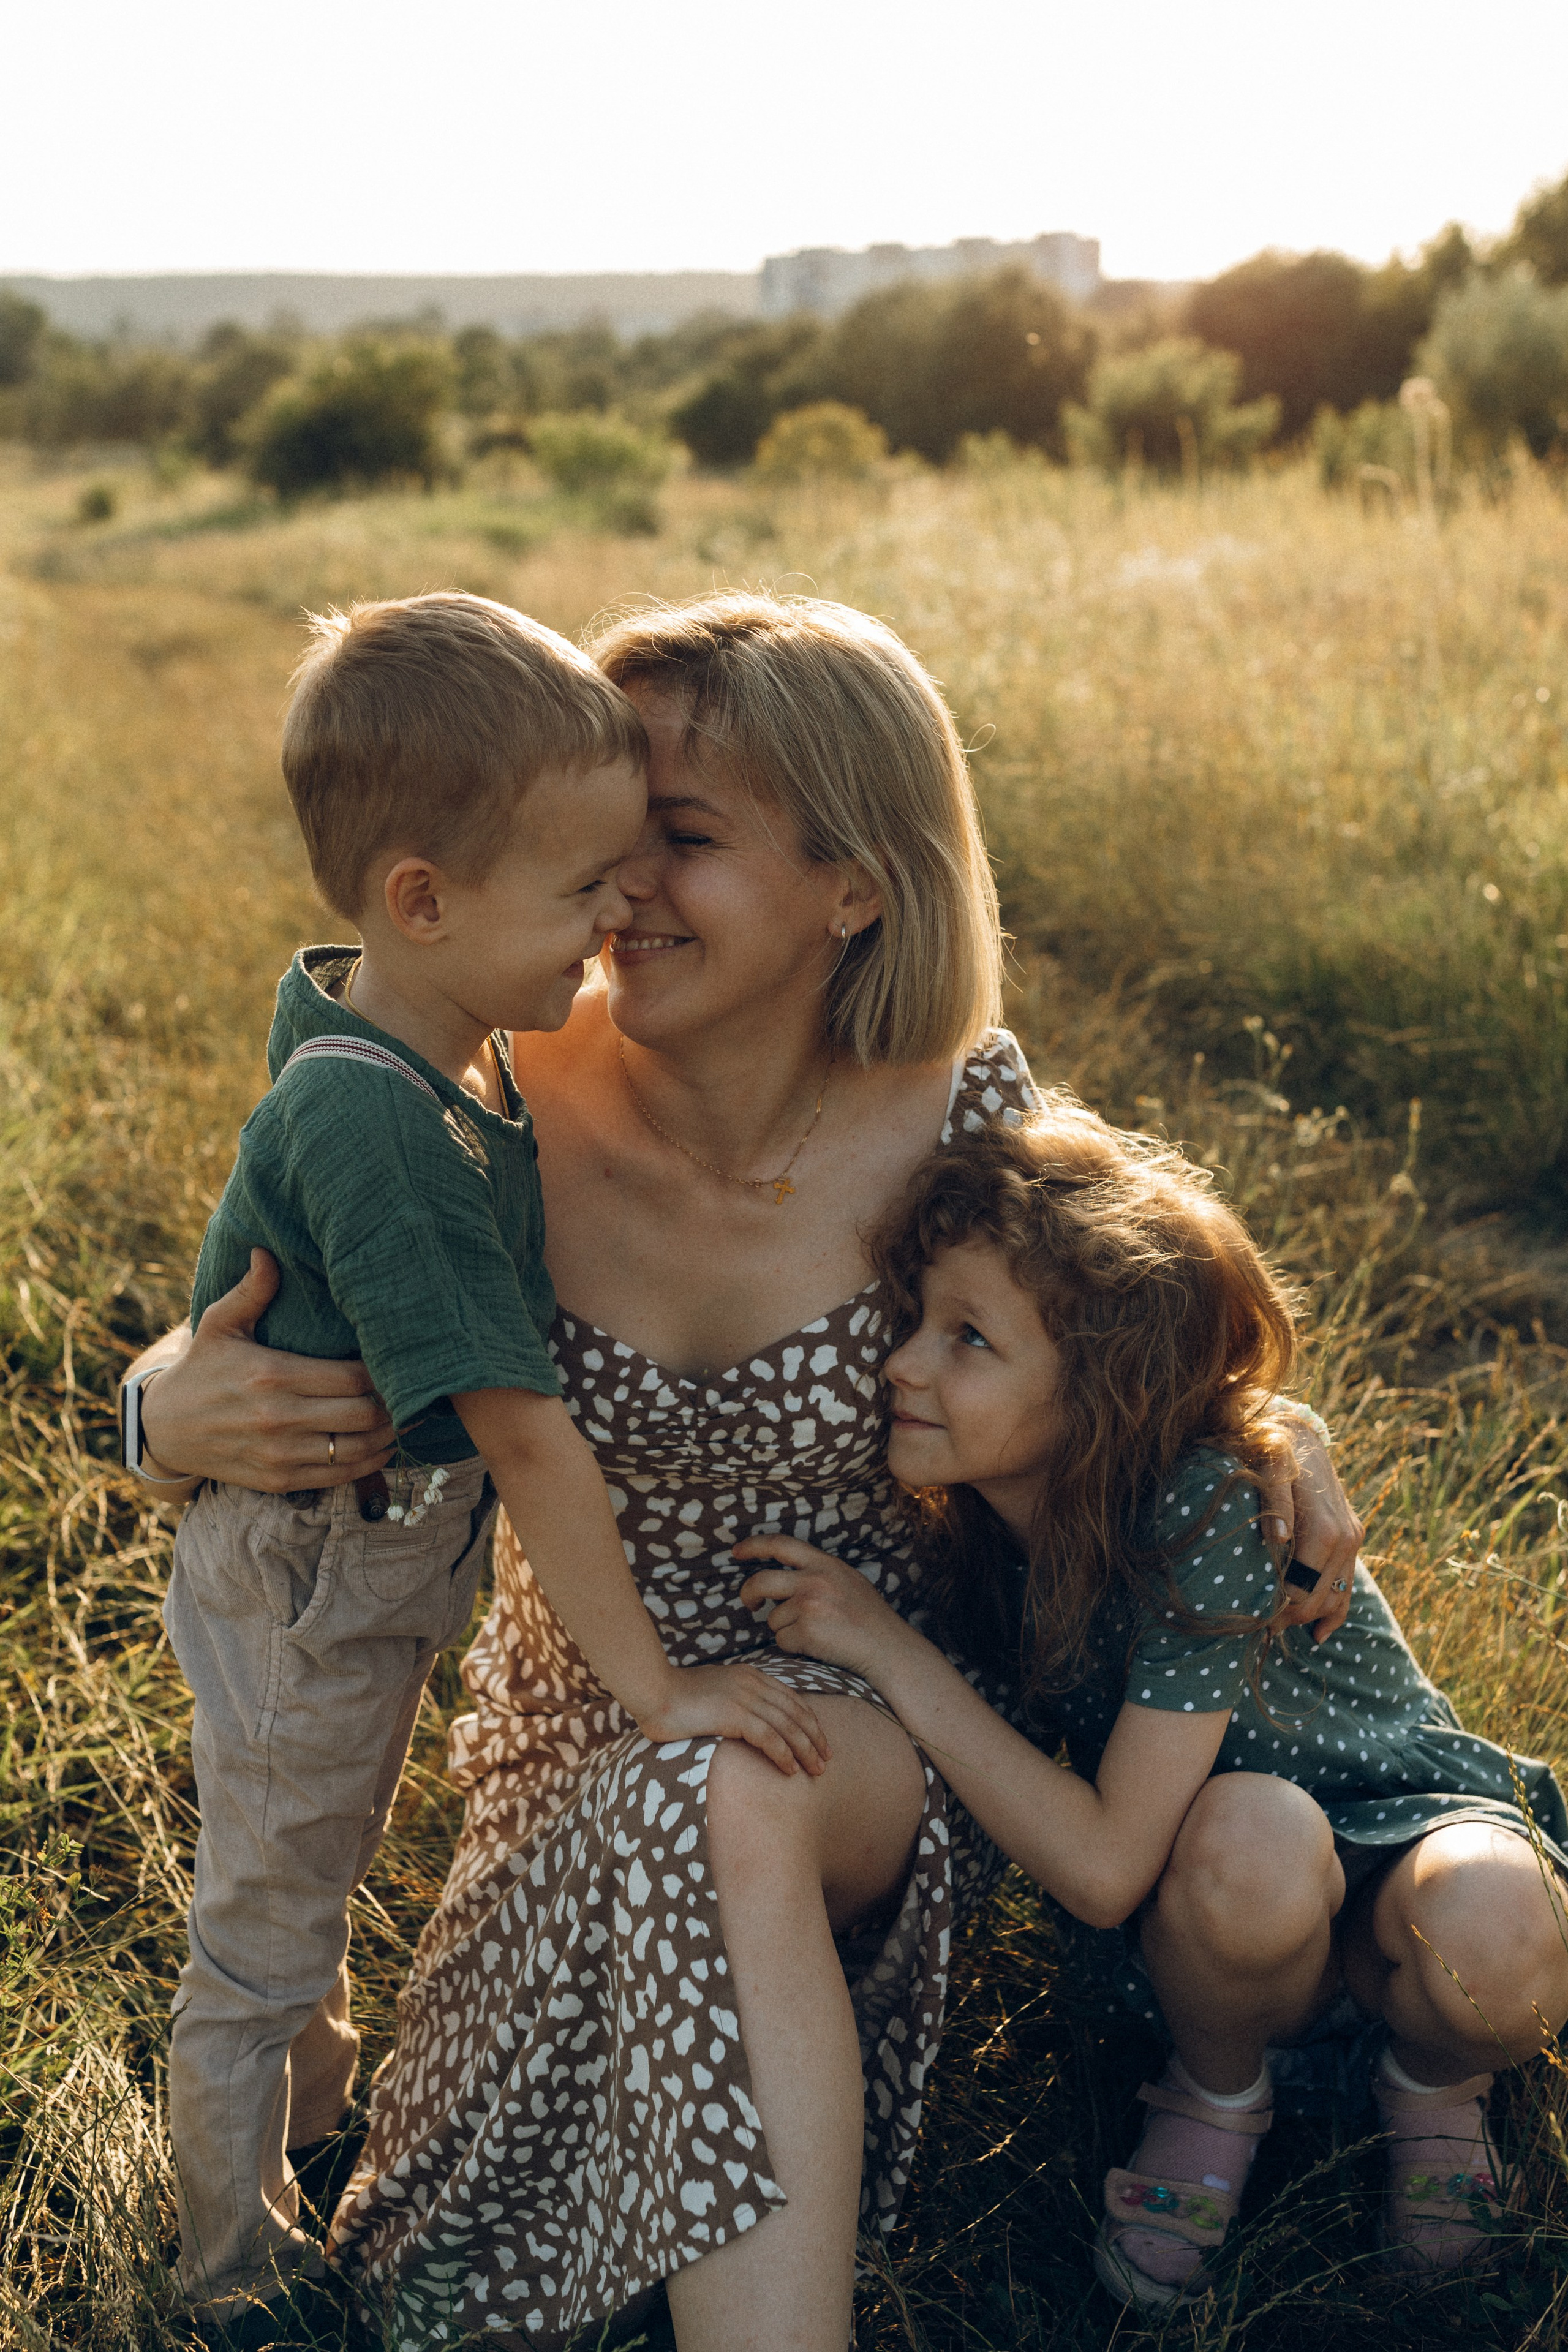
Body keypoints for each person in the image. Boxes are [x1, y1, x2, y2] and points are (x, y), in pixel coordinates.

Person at [127, 591, 1362, 2352]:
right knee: (428, 2271)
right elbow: (240, 1311)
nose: (621, 888)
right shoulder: (486, 1084)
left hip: (842, 1727)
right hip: (564, 1747)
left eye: (681, 842)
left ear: (854, 882)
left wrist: (1279, 1442)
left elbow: (1158, 1341)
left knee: (723, 1792)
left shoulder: (969, 1127)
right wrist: (157, 1413)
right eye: (609, 844)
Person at [158, 593, 829, 2335]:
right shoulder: (380, 1115)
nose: (620, 916)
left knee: (304, 1871)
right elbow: (526, 1431)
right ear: (421, 901)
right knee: (265, 1927)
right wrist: (662, 1687)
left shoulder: (432, 1040)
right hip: (312, 1575)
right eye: (585, 885)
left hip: (360, 1570)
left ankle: (308, 2118)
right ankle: (230, 2268)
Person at [735, 1102, 1568, 2312]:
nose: (901, 1364)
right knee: (1250, 1834)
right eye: (914, 1321)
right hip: (1230, 1912)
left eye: (966, 1339)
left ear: (1103, 1395)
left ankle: (1431, 2090)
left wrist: (881, 1648)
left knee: (1494, 1919)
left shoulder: (1203, 1503)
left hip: (1403, 1836)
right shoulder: (984, 1516)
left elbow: (1103, 1871)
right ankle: (1217, 2091)